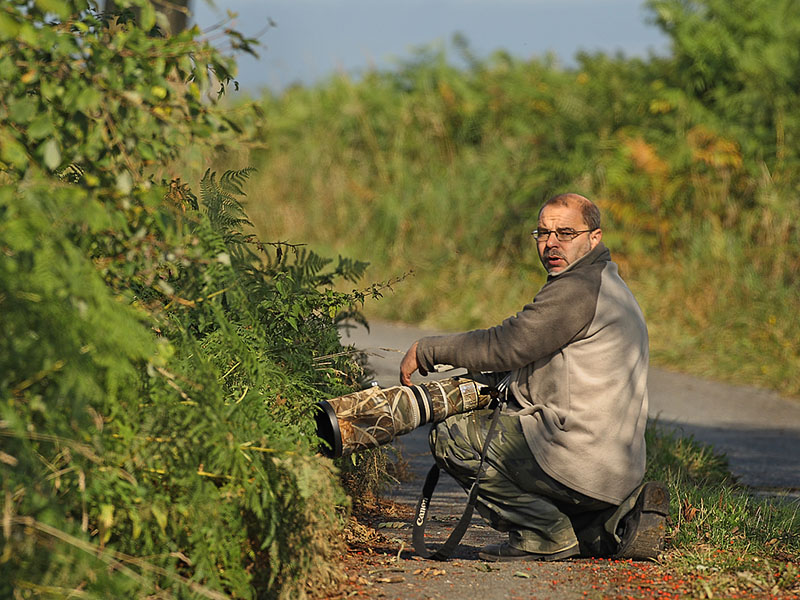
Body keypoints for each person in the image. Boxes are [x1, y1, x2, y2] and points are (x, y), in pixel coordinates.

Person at [399, 193, 669, 562]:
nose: (551, 243)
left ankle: (542, 535)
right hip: (618, 469)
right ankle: (605, 528)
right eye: (543, 233)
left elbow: (506, 345)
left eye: (565, 232)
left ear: (594, 238)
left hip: (575, 460)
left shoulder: (579, 289)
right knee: (520, 429)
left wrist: (428, 350)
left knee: (453, 435)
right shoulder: (609, 285)